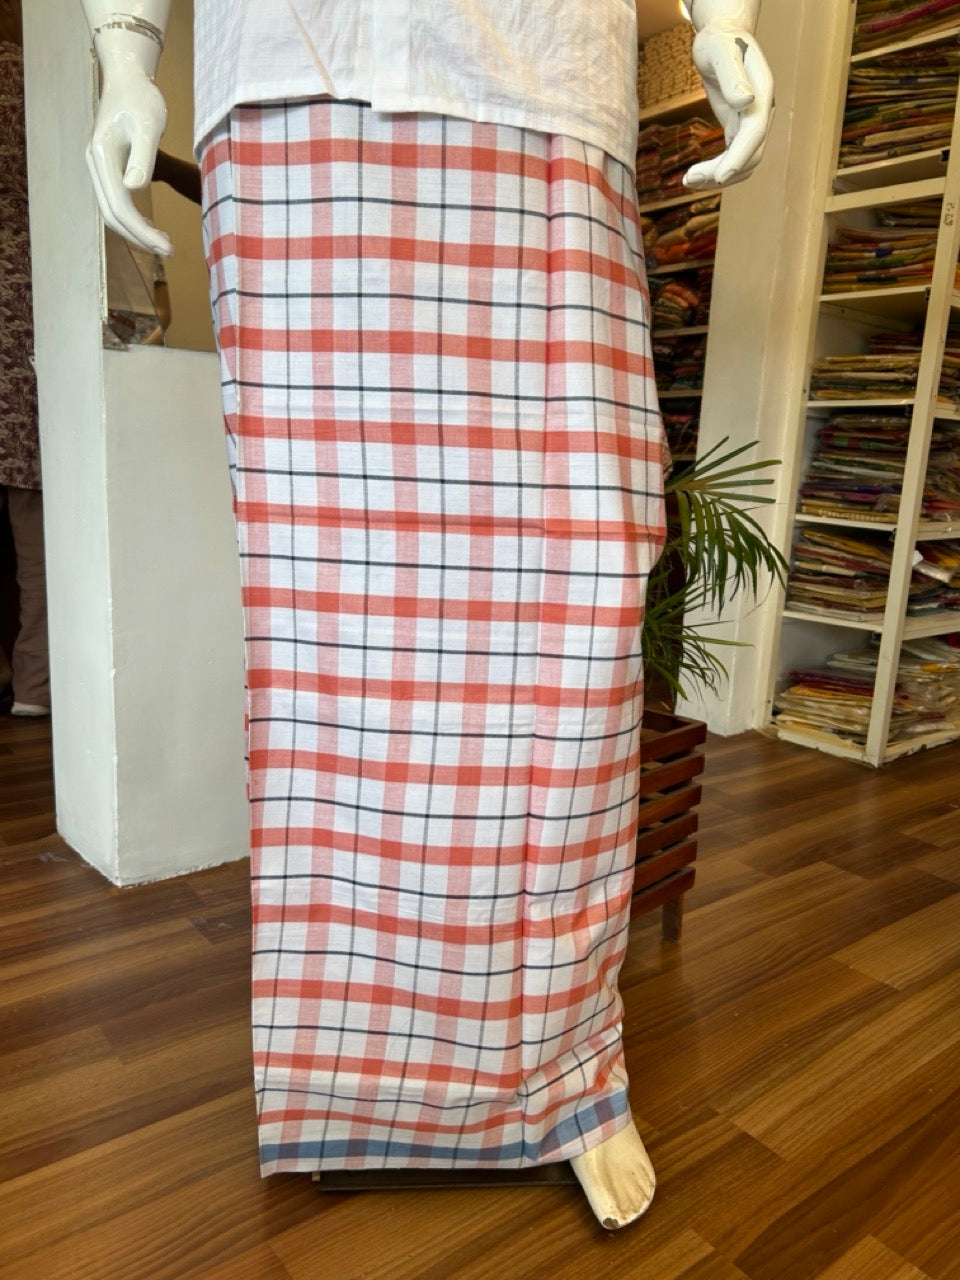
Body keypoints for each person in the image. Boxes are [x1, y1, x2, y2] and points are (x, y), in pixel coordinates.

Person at [80, 0, 773, 1229]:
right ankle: (352, 1076)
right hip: (298, 90)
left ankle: (564, 1069)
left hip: (556, 89)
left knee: (580, 599)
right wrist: (125, 44)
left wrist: (722, 19)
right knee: (333, 625)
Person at [0, 0, 49, 718]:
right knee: (33, 520)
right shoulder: (37, 78)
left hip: (22, 313)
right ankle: (35, 683)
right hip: (28, 311)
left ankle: (21, 674)